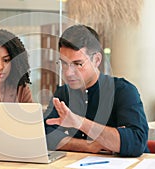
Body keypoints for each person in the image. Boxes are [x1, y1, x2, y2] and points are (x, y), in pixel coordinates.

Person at [44, 25, 149, 157]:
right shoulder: (63, 93)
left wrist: (79, 122)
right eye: (64, 63)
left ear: (97, 60)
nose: (68, 72)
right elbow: (46, 136)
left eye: (78, 64)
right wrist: (90, 146)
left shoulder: (124, 90)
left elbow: (135, 142)